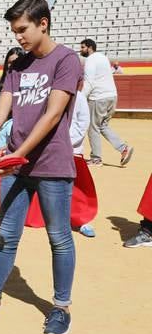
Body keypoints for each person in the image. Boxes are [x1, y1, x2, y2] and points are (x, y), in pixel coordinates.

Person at [0, 0, 80, 334]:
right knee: (6, 236)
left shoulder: (66, 60)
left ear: (43, 23)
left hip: (51, 164)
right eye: (14, 32)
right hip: (17, 167)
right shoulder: (18, 66)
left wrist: (16, 154)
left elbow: (53, 114)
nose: (18, 37)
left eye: (22, 29)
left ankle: (61, 307)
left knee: (58, 238)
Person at [79, 38, 133, 167]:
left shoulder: (91, 60)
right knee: (102, 125)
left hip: (98, 98)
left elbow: (90, 82)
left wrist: (81, 99)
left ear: (90, 47)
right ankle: (123, 148)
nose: (81, 50)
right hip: (112, 96)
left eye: (82, 47)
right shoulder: (103, 58)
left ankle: (96, 158)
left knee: (93, 127)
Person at [69, 77, 94, 237]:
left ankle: (81, 218)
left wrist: (67, 143)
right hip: (50, 149)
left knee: (76, 186)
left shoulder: (78, 97)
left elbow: (83, 123)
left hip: (72, 148)